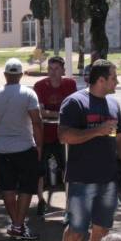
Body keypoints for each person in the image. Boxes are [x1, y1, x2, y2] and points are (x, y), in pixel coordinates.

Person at [55, 59, 121, 241]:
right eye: (114, 77)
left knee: (101, 230)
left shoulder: (113, 104)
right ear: (101, 80)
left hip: (108, 179)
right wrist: (97, 131)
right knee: (77, 231)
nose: (117, 82)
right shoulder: (75, 102)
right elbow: (64, 136)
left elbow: (120, 138)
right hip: (81, 179)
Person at [0, 59, 44, 240]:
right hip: (25, 147)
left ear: (5, 75)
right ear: (21, 75)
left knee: (7, 188)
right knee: (26, 188)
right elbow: (37, 122)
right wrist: (40, 146)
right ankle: (18, 225)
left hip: (2, 149)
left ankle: (17, 225)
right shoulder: (28, 94)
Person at [33, 55, 78, 216]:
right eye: (50, 69)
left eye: (56, 69)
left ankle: (70, 203)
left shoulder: (70, 84)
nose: (52, 72)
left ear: (63, 70)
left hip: (64, 135)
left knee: (68, 169)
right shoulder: (39, 86)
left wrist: (52, 114)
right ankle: (40, 200)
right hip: (44, 135)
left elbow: (74, 110)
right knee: (39, 170)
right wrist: (60, 114)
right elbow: (40, 112)